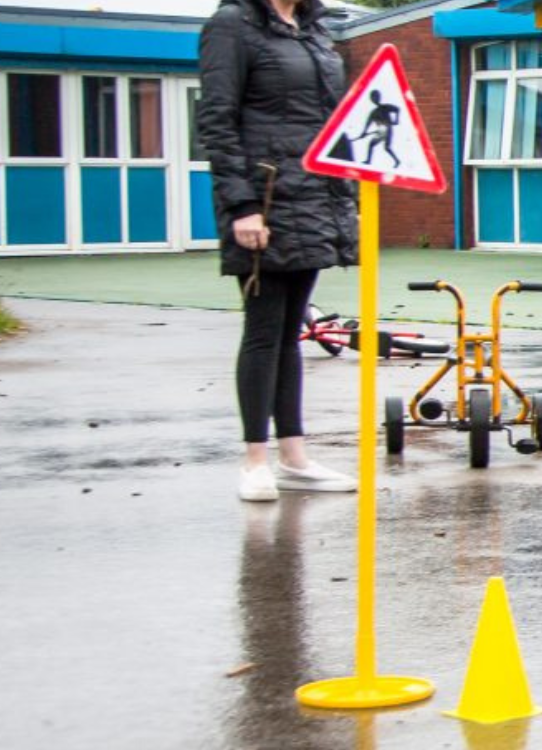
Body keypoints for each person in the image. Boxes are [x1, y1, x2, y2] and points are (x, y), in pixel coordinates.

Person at [199, 0, 359, 502]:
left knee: (292, 332)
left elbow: (331, 116)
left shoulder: (313, 28)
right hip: (264, 198)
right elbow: (217, 121)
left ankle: (294, 457)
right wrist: (242, 204)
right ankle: (255, 461)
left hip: (313, 196)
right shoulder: (233, 25)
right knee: (264, 331)